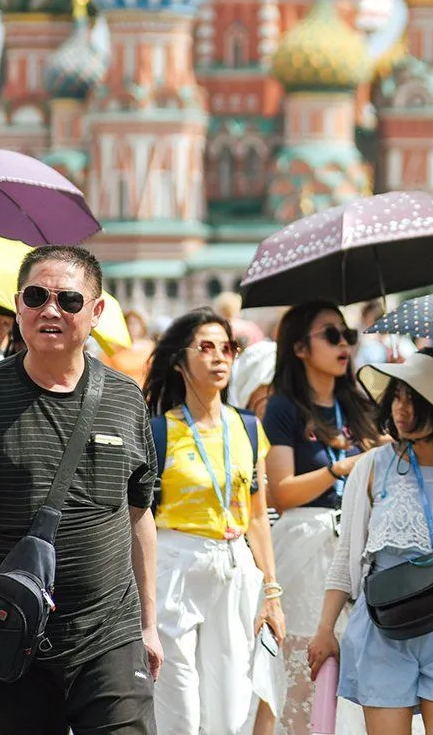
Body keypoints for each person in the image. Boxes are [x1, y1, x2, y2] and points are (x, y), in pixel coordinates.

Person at [0, 245, 161, 734]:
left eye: (68, 299)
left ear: (96, 312)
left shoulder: (126, 397)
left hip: (109, 633)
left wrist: (149, 624)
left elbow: (139, 516)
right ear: (18, 305)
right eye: (36, 296)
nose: (51, 310)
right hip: (8, 632)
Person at [310, 348, 433, 734]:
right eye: (398, 396)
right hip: (384, 627)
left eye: (415, 399)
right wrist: (326, 629)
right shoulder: (373, 466)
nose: (401, 409)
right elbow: (347, 555)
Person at [143, 309, 286, 733]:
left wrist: (272, 593)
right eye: (206, 347)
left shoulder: (247, 427)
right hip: (174, 565)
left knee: (229, 708)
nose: (220, 357)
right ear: (179, 361)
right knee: (179, 709)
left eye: (227, 347)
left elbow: (257, 515)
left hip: (234, 566)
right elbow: (142, 519)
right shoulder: (158, 431)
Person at [259, 300, 382, 735]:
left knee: (357, 670)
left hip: (358, 545)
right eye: (331, 335)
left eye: (347, 335)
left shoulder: (361, 403)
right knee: (304, 669)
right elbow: (282, 492)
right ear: (299, 348)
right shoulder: (283, 408)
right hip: (305, 544)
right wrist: (340, 468)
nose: (344, 343)